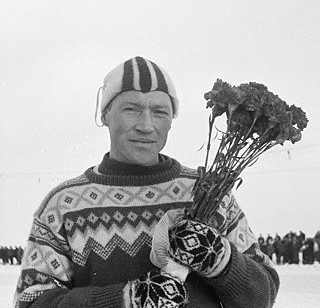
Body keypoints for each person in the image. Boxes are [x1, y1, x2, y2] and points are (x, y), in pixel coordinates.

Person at [14, 56, 279, 308]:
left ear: (172, 120)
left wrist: (222, 260)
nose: (146, 125)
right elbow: (31, 302)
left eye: (160, 112)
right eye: (131, 109)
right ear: (105, 114)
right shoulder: (63, 205)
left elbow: (263, 295)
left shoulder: (206, 191)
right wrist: (126, 300)